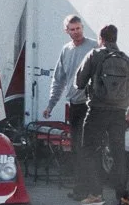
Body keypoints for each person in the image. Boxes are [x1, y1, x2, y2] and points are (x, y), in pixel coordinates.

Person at [73, 24, 129, 205]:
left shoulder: (94, 55)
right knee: (119, 154)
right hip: (119, 113)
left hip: (97, 111)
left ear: (101, 38)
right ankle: (123, 198)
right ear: (116, 39)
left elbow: (79, 82)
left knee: (90, 150)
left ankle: (96, 195)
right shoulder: (127, 60)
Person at [41, 15, 96, 193]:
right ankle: (80, 188)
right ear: (66, 31)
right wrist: (51, 104)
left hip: (91, 104)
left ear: (82, 28)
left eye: (78, 28)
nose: (76, 32)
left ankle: (92, 189)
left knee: (88, 147)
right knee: (76, 147)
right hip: (74, 104)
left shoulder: (94, 47)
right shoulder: (66, 50)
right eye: (72, 29)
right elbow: (59, 79)